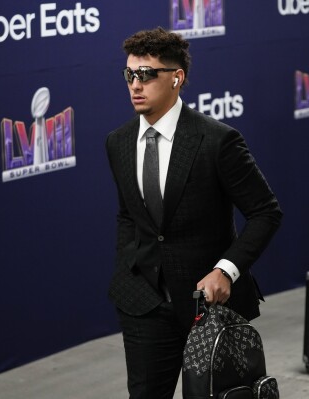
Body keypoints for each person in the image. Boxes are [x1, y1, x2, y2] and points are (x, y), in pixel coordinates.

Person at [105, 27, 282, 398]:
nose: (135, 84)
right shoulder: (118, 142)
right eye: (129, 74)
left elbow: (265, 212)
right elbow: (129, 215)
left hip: (210, 305)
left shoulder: (217, 140)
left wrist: (225, 270)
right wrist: (129, 267)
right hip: (143, 302)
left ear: (176, 78)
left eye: (146, 74)